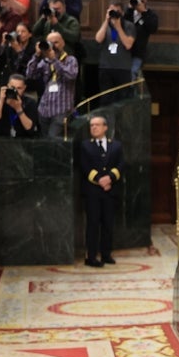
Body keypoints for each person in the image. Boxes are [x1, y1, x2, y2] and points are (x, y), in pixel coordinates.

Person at [74, 114, 123, 266]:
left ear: (105, 127)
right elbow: (84, 166)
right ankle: (92, 256)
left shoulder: (116, 145)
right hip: (92, 192)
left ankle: (106, 254)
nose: (94, 127)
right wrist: (100, 180)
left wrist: (110, 178)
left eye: (97, 125)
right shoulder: (85, 145)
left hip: (110, 190)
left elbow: (120, 165)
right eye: (91, 125)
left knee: (108, 224)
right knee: (93, 224)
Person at [25, 30, 78, 138]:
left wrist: (54, 60)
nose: (53, 46)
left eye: (56, 42)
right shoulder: (45, 62)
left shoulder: (70, 60)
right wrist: (36, 55)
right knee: (45, 142)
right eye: (50, 43)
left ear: (63, 43)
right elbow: (30, 75)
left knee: (53, 140)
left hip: (61, 109)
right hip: (44, 109)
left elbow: (70, 76)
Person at [94, 0, 136, 104]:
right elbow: (98, 39)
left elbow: (128, 44)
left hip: (122, 68)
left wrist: (118, 28)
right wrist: (106, 21)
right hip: (106, 67)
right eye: (111, 11)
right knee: (106, 98)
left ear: (122, 13)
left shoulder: (129, 26)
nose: (114, 14)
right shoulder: (105, 26)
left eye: (117, 11)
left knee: (122, 100)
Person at [124, 0, 158, 80]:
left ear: (145, 0)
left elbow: (153, 28)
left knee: (132, 74)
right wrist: (130, 9)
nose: (136, 2)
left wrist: (143, 12)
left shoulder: (150, 15)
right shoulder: (127, 13)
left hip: (138, 53)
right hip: (124, 52)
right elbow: (123, 25)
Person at [0, 73, 40, 138]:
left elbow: (29, 128)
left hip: (22, 140)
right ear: (8, 86)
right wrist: (1, 100)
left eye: (19, 88)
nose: (15, 91)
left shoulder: (30, 102)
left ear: (24, 88)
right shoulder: (0, 99)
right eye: (12, 88)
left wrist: (19, 109)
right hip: (3, 139)